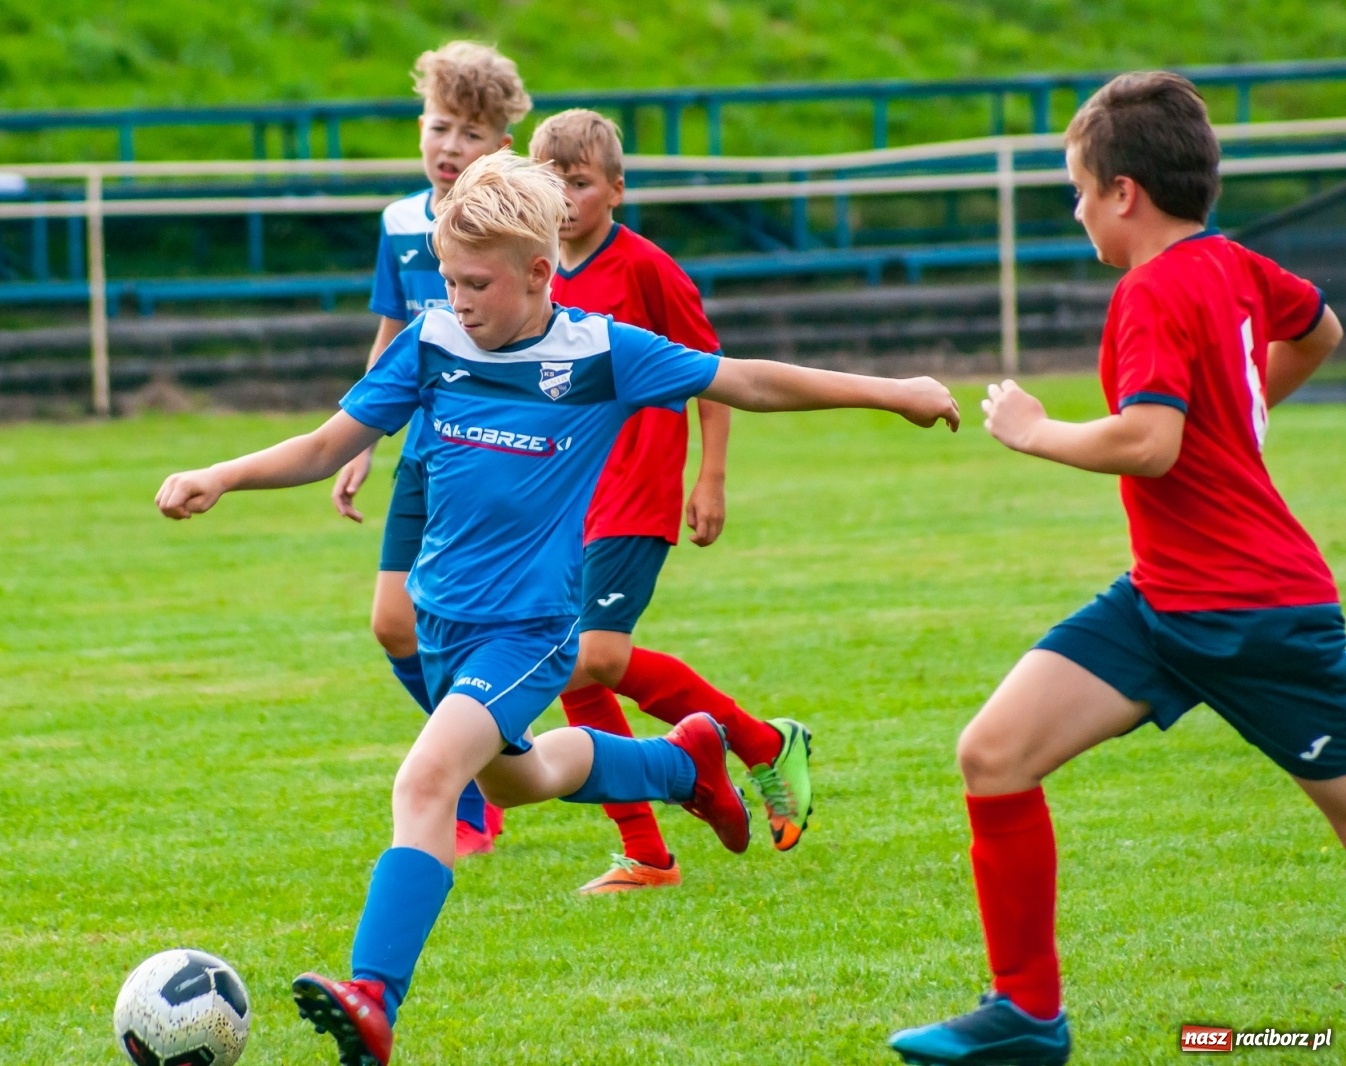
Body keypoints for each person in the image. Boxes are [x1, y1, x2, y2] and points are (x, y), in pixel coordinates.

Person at [157, 151, 960, 1066]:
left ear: (540, 274)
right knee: (520, 778)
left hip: (529, 631)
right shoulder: (431, 342)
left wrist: (893, 393)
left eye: (478, 284)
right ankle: (683, 762)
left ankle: (374, 998)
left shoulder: (599, 353)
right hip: (442, 625)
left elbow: (747, 380)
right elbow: (327, 443)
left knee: (425, 783)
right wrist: (221, 474)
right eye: (450, 279)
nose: (458, 300)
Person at [888, 72, 1346, 1066]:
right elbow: (1319, 330)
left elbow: (1149, 443)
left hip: (1260, 611)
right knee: (992, 753)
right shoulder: (1229, 263)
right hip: (1163, 600)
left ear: (1124, 193)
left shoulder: (1147, 289)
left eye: (1078, 190)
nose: (1077, 210)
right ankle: (1024, 1016)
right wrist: (1243, 414)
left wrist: (1035, 428)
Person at [529, 109, 813, 895]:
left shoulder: (647, 269)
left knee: (595, 655)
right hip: (566, 497)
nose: (562, 199)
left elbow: (714, 373)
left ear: (616, 191)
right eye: (548, 182)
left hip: (636, 488)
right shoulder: (534, 273)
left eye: (579, 183)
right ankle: (646, 853)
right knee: (569, 666)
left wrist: (711, 476)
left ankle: (754, 744)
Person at [331, 41, 532, 857]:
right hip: (427, 451)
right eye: (440, 126)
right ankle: (481, 770)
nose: (451, 148)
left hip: (510, 455)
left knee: (531, 641)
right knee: (392, 625)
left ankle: (471, 778)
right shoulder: (398, 224)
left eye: (472, 134)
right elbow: (392, 331)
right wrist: (360, 438)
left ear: (503, 147)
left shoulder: (521, 227)